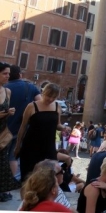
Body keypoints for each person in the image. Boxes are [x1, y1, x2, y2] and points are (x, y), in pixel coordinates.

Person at [15, 82, 62, 182]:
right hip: (31, 146)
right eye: (49, 96)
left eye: (54, 97)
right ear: (43, 93)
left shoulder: (57, 106)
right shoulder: (32, 106)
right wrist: (18, 145)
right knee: (29, 177)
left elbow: (58, 125)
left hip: (49, 146)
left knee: (48, 177)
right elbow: (23, 127)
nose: (51, 99)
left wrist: (64, 128)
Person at [5, 64, 41, 178]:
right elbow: (41, 103)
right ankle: (10, 185)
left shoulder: (4, 87)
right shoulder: (30, 87)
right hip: (21, 129)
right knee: (13, 158)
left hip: (4, 128)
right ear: (20, 74)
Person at [0, 63, 19, 202]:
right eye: (5, 73)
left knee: (2, 163)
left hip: (2, 134)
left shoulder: (7, 92)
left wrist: (9, 112)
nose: (8, 76)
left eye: (8, 73)